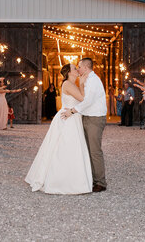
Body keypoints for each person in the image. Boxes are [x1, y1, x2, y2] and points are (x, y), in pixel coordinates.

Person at [25, 64, 93, 194]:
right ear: (69, 73)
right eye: (75, 69)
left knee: (73, 147)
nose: (77, 70)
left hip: (73, 116)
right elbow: (83, 99)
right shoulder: (67, 84)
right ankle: (60, 180)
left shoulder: (72, 84)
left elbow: (81, 99)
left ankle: (75, 178)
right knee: (65, 147)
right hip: (68, 119)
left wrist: (81, 84)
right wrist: (83, 84)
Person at [61, 58, 108, 192]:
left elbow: (87, 101)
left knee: (94, 151)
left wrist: (72, 111)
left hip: (95, 118)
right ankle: (91, 178)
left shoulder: (93, 80)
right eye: (76, 68)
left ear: (86, 68)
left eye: (79, 67)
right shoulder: (85, 79)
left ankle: (100, 182)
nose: (78, 69)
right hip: (86, 117)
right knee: (87, 149)